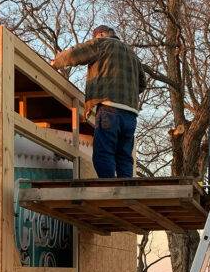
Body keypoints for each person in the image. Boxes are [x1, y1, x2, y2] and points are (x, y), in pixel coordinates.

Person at [52, 25, 146, 179]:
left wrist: (56, 62)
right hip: (131, 115)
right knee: (124, 156)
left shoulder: (102, 43)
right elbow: (142, 84)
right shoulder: (132, 55)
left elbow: (76, 53)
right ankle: (127, 192)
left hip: (109, 109)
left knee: (104, 152)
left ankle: (109, 191)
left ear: (101, 34)